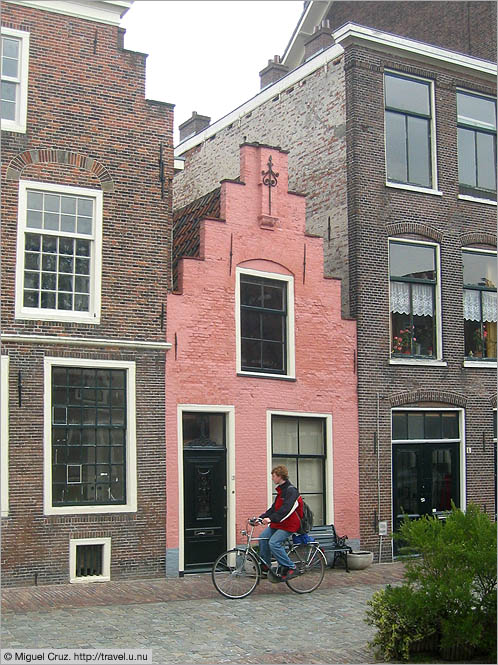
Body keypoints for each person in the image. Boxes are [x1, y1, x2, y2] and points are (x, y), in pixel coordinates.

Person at [258, 465, 303, 581]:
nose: (272, 479)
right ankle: (265, 566)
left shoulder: (291, 491)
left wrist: (271, 519)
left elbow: (286, 510)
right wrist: (260, 518)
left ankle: (291, 567)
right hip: (279, 523)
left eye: (273, 476)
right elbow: (274, 509)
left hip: (289, 524)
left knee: (274, 543)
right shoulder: (281, 491)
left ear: (280, 476)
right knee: (263, 537)